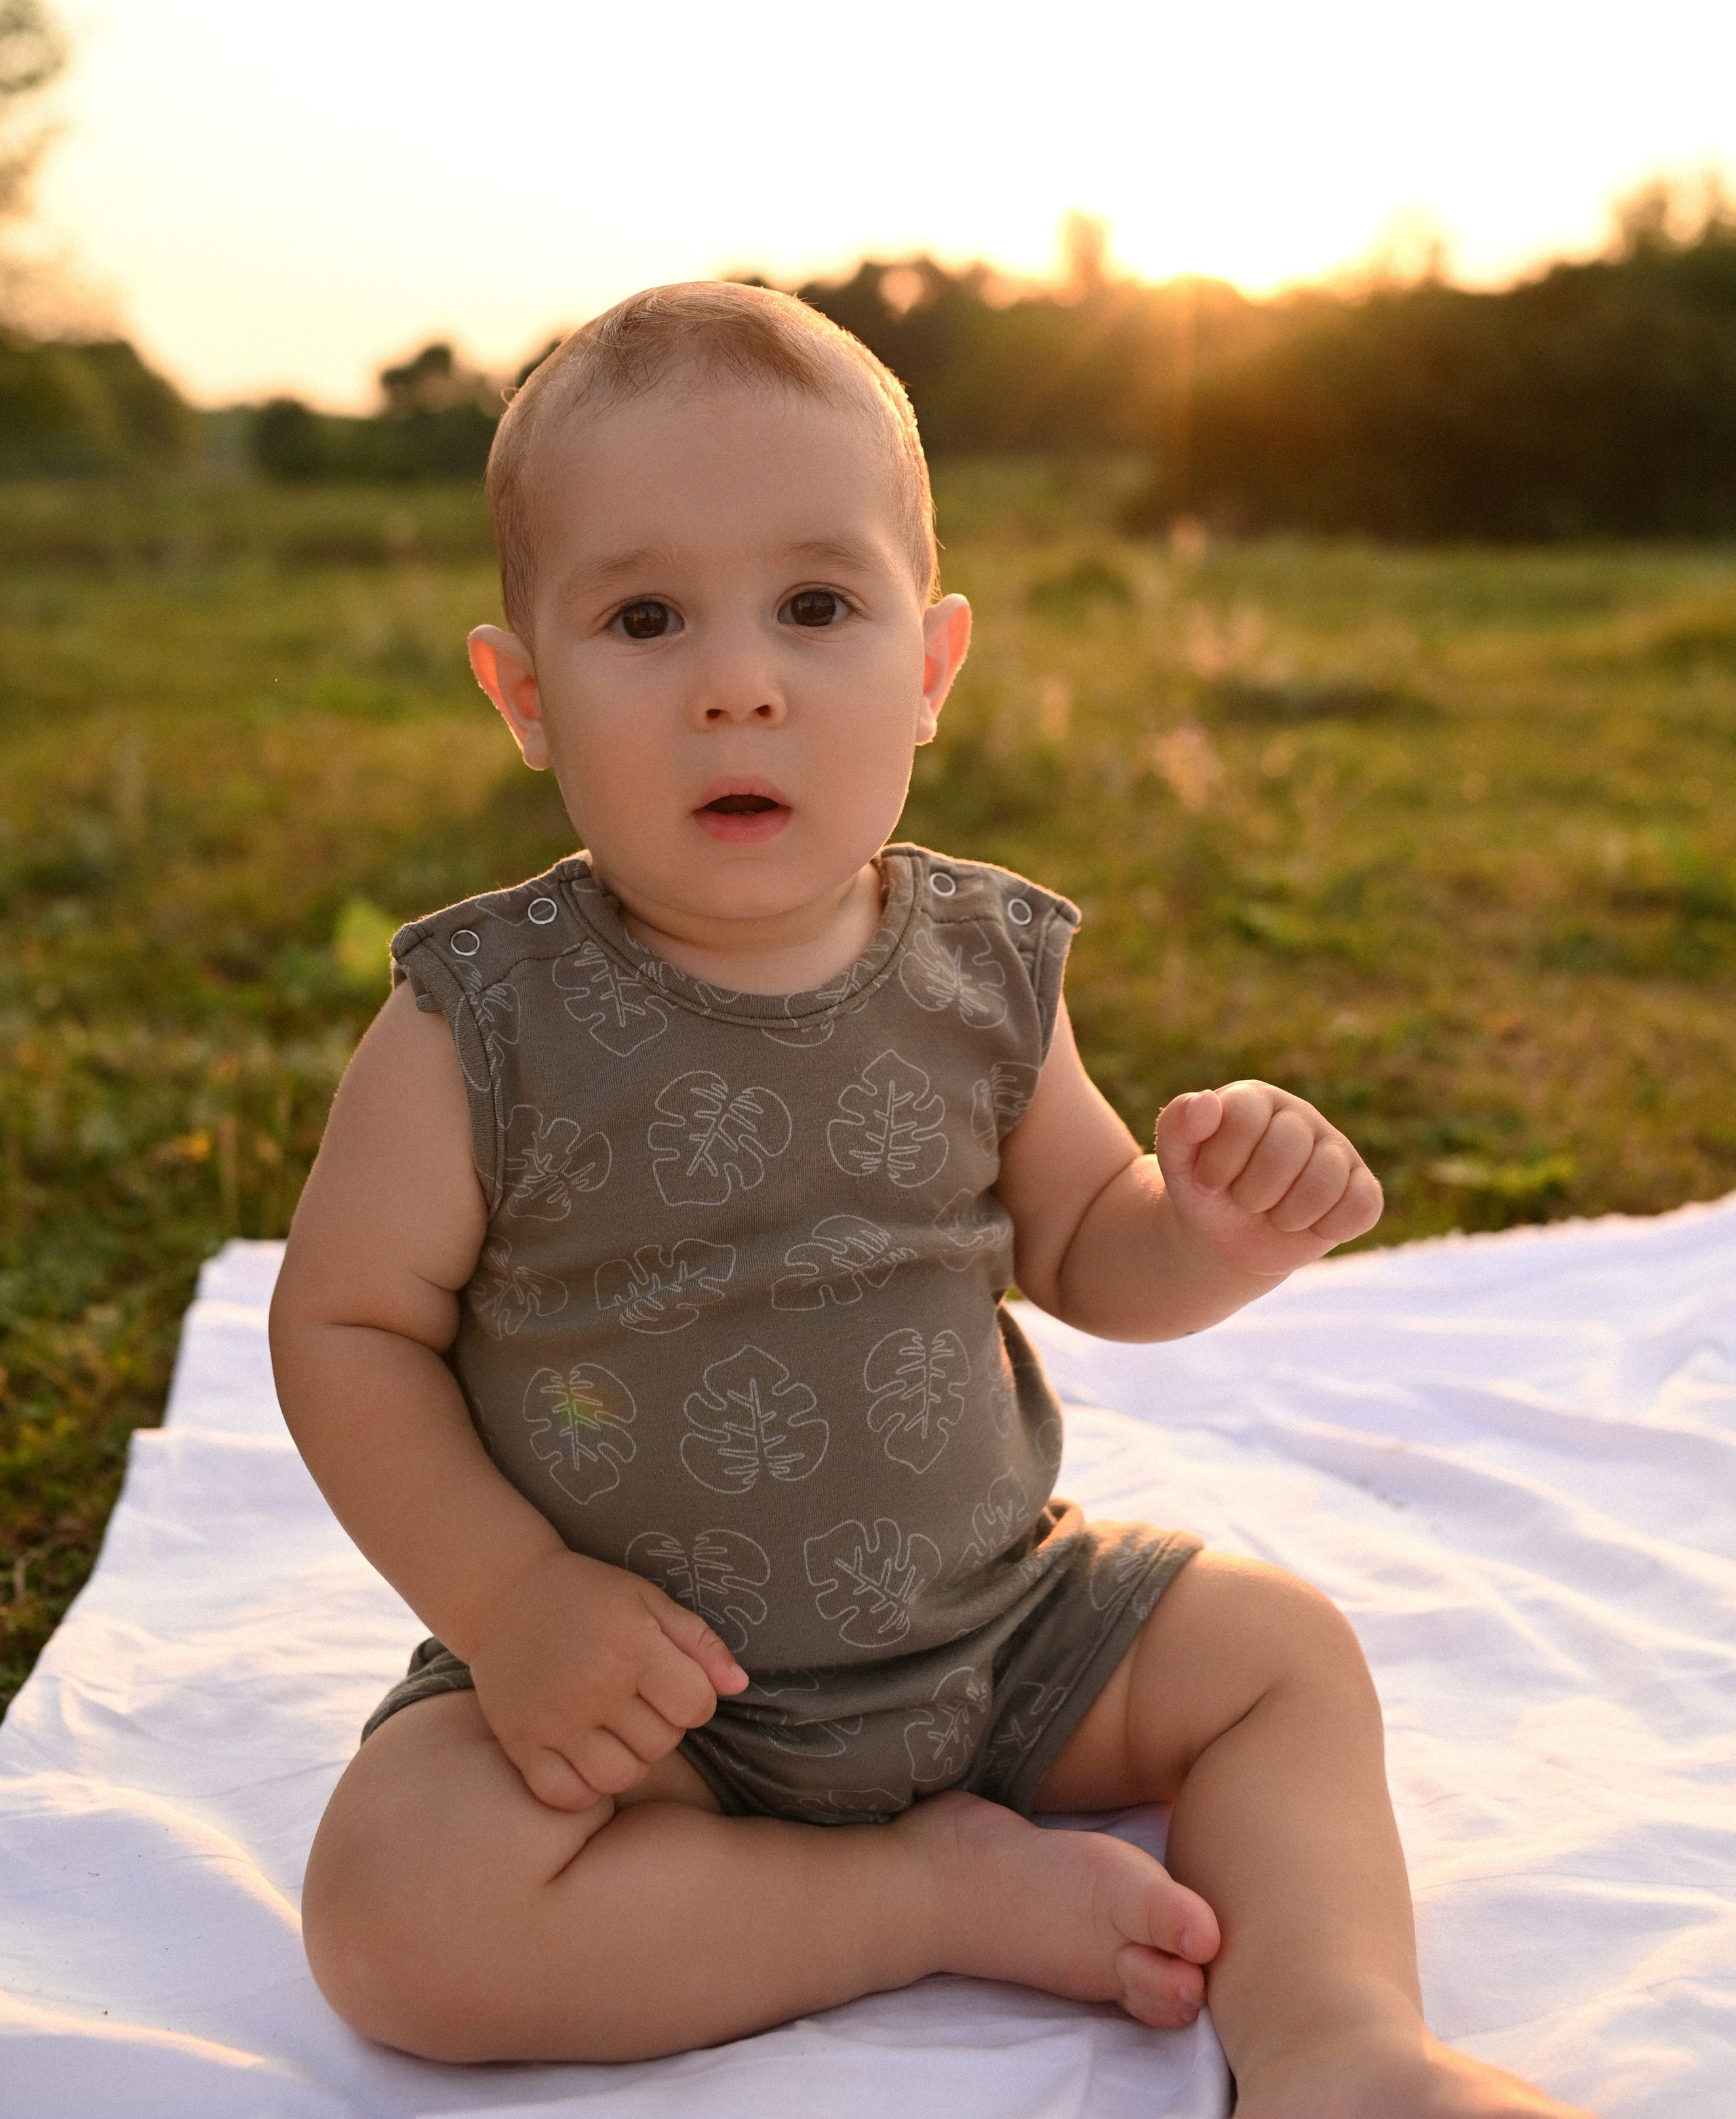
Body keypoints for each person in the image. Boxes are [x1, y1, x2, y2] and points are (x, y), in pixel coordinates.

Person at [270, 282, 1594, 2117]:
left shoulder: (978, 969)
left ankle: (1342, 2046)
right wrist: (510, 1607)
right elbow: (345, 1327)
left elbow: (1087, 1247)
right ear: (524, 695)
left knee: (1282, 1654)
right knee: (397, 1915)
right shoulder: (475, 1023)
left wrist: (1205, 1235)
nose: (741, 678)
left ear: (930, 668)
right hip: (654, 1702)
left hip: (1001, 1633)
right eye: (644, 617)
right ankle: (907, 1901)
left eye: (817, 606)